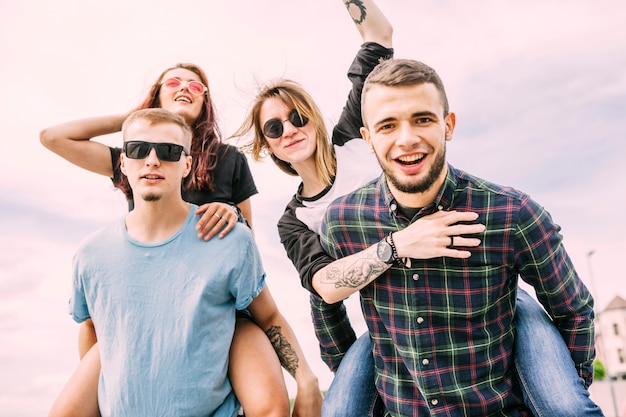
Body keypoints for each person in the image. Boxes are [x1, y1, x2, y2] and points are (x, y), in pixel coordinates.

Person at [234, 1, 483, 416]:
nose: (290, 130)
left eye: (296, 117)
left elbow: (379, 36)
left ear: (311, 116)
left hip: (456, 282)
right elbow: (326, 287)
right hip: (388, 318)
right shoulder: (295, 220)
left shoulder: (354, 137)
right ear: (267, 145)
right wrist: (399, 245)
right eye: (274, 128)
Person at [318, 57, 603, 416]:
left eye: (422, 119)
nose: (407, 139)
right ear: (368, 139)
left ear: (448, 125)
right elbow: (324, 306)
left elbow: (574, 312)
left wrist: (564, 396)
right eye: (387, 125)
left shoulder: (512, 214)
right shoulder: (345, 221)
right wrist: (357, 391)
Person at [40, 64, 321, 415]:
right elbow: (53, 137)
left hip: (215, 298)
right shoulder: (136, 160)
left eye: (196, 85)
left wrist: (231, 216)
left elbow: (247, 256)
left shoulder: (228, 160)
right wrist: (134, 117)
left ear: (185, 163)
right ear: (125, 163)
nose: (153, 160)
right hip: (141, 289)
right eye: (173, 82)